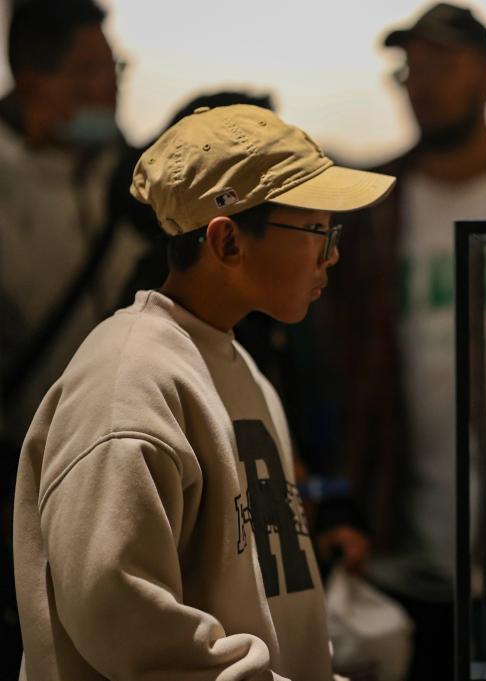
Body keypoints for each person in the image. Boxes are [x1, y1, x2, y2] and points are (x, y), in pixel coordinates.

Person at [13, 103, 395, 680]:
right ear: (228, 242)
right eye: (318, 231)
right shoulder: (128, 381)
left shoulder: (240, 368)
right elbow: (126, 622)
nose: (332, 254)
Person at [311, 3, 486, 676]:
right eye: (411, 69)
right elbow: (338, 362)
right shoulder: (375, 205)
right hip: (397, 541)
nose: (423, 85)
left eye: (443, 66)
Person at [0, 2, 147, 672]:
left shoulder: (132, 178)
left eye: (113, 68)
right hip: (22, 482)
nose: (108, 89)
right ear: (32, 79)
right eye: (88, 71)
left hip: (122, 475)